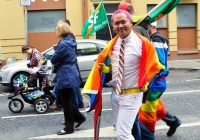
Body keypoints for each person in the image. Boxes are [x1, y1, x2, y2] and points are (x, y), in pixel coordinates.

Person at [96, 10, 164, 140]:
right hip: (116, 95)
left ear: (130, 22)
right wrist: (105, 69)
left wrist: (147, 83)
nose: (120, 26)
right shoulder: (112, 43)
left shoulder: (143, 43)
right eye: (117, 23)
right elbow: (115, 67)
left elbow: (156, 67)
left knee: (123, 134)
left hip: (132, 94)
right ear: (113, 26)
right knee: (120, 132)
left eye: (123, 22)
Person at [139, 21, 181, 137]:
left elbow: (158, 65)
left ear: (151, 26)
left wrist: (147, 79)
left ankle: (148, 135)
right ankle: (173, 122)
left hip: (154, 83)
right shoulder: (154, 38)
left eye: (144, 27)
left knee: (148, 110)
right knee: (154, 105)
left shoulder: (156, 40)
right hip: (155, 82)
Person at [50, 21, 86, 135]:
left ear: (61, 30)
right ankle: (79, 117)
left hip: (65, 74)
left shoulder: (64, 44)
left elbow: (53, 59)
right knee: (65, 99)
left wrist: (55, 58)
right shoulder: (69, 41)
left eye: (56, 29)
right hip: (70, 72)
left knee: (65, 102)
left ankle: (68, 128)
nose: (55, 31)